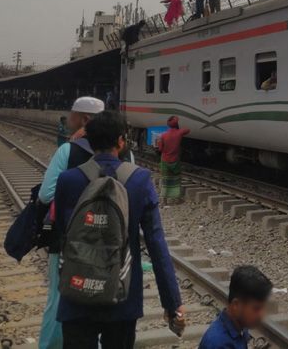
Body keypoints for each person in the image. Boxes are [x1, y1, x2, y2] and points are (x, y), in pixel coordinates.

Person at [54, 111, 184, 348]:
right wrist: (171, 302)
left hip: (77, 292)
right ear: (121, 141)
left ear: (90, 141)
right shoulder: (139, 180)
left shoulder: (68, 180)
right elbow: (156, 244)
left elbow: (62, 233)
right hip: (122, 296)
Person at [37, 97, 105, 349]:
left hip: (68, 239)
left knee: (58, 298)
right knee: (103, 296)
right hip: (107, 241)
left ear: (84, 119)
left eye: (72, 113)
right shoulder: (126, 153)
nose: (68, 117)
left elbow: (46, 194)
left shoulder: (68, 150)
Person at [198, 266, 273, 349]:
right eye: (256, 308)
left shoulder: (239, 327)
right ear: (236, 305)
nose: (261, 314)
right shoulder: (218, 344)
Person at [155, 115, 190, 204]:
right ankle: (176, 199)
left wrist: (159, 142)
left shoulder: (163, 135)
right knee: (175, 179)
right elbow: (188, 130)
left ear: (168, 125)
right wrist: (178, 129)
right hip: (175, 161)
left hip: (165, 160)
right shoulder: (179, 133)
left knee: (165, 180)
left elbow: (160, 149)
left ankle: (164, 200)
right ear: (177, 124)